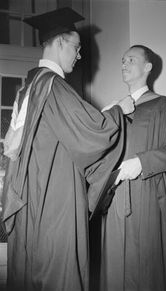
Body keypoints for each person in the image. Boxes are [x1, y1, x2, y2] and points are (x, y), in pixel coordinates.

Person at [1, 7, 134, 291]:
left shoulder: (28, 88)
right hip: (53, 201)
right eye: (76, 47)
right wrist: (118, 112)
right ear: (60, 42)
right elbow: (94, 133)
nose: (79, 54)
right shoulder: (53, 86)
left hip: (29, 201)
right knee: (58, 273)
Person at [99, 45, 166, 291]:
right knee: (115, 270)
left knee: (145, 272)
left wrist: (142, 162)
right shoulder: (114, 110)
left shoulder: (163, 106)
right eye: (122, 60)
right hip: (115, 201)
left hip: (148, 198)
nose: (124, 64)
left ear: (147, 67)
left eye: (131, 59)